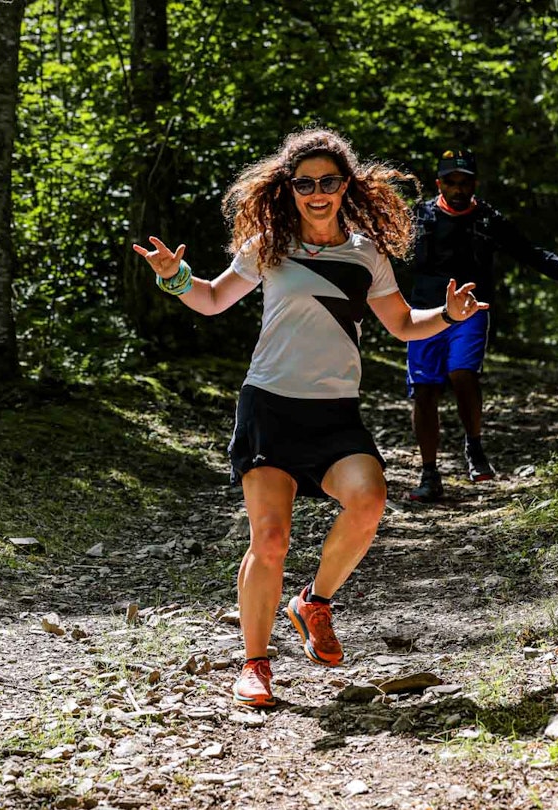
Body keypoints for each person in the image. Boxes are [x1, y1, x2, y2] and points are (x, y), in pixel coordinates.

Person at [131, 130, 488, 708]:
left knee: (369, 500)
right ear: (288, 189)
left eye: (327, 181)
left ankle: (314, 602)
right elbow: (212, 299)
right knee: (269, 540)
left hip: (334, 414)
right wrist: (174, 276)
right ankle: (255, 664)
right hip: (270, 406)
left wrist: (446, 315)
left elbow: (402, 324)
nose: (317, 193)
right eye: (305, 184)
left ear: (345, 185)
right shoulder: (268, 244)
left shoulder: (366, 253)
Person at [403, 150, 558, 502]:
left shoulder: (487, 219)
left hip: (472, 311)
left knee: (462, 374)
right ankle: (429, 473)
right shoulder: (420, 216)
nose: (459, 189)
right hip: (425, 315)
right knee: (425, 390)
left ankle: (474, 447)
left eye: (465, 182)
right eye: (452, 182)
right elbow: (382, 246)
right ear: (440, 183)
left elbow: (530, 251)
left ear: (475, 184)